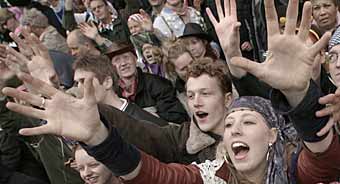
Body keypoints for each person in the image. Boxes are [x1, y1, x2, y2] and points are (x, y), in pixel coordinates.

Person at [72, 54, 168, 126]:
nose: (79, 88)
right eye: (77, 83)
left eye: (84, 81)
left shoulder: (144, 122)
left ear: (107, 82)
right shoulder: (95, 123)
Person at [110, 44, 189, 123]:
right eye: (117, 60)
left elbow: (178, 117)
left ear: (135, 58)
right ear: (112, 66)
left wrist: (145, 115)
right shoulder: (113, 93)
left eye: (126, 57)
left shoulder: (158, 84)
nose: (123, 63)